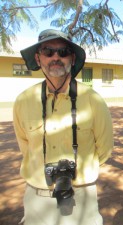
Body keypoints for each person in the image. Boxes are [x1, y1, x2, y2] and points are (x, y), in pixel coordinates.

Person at [13, 29, 114, 225]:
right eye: (48, 51)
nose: (56, 57)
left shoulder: (93, 100)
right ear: (38, 58)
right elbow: (25, 147)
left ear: (72, 58)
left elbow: (105, 149)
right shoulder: (23, 101)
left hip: (82, 198)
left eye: (63, 52)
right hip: (37, 200)